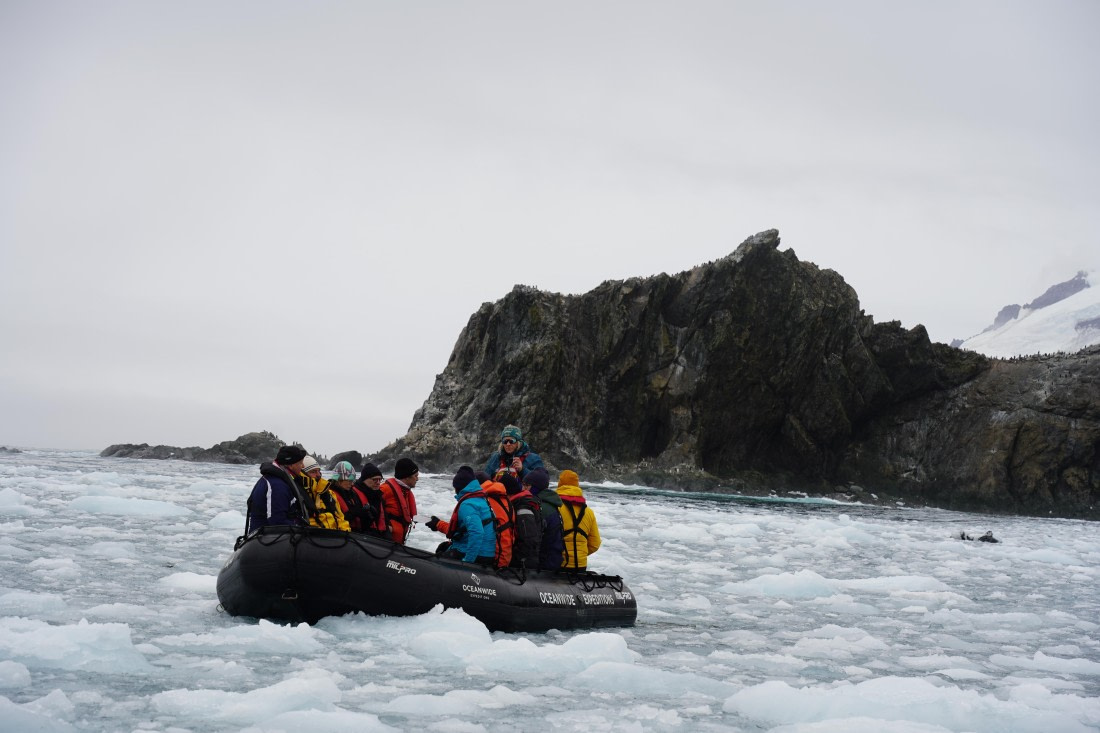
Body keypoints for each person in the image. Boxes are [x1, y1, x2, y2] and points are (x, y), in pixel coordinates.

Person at [426, 466, 496, 566]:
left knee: (436, 561)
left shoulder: (467, 504)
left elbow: (477, 533)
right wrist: (439, 524)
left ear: (459, 487)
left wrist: (467, 562)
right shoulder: (481, 499)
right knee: (443, 547)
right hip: (488, 553)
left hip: (479, 555)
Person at [246, 445, 309, 533]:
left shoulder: (279, 479)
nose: (302, 466)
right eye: (300, 463)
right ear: (291, 465)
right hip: (266, 540)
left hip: (273, 538)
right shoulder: (277, 485)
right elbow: (277, 522)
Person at [556, 470, 600, 572]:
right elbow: (595, 544)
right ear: (577, 485)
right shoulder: (589, 512)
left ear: (560, 484)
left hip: (559, 564)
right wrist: (581, 554)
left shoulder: (556, 507)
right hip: (581, 565)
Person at [297, 456, 350, 532]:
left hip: (336, 537)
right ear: (302, 474)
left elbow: (340, 519)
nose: (318, 475)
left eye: (319, 471)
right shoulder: (297, 494)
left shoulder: (329, 493)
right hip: (313, 537)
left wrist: (346, 533)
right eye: (313, 471)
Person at [524, 468, 565, 569]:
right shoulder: (551, 505)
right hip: (553, 560)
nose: (523, 488)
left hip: (542, 565)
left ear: (535, 488)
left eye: (526, 485)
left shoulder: (538, 508)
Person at [333, 462, 387, 536]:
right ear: (339, 480)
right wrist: (356, 512)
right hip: (342, 536)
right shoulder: (330, 495)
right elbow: (334, 519)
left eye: (352, 481)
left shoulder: (350, 494)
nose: (352, 484)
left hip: (356, 535)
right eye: (349, 480)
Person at [503, 473, 542, 568]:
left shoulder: (522, 509)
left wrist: (517, 559)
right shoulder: (518, 504)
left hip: (525, 562)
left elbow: (529, 540)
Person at [379, 457, 419, 544]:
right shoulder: (385, 489)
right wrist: (386, 528)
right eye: (415, 476)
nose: (417, 479)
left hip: (398, 544)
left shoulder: (406, 492)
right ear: (407, 477)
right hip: (386, 544)